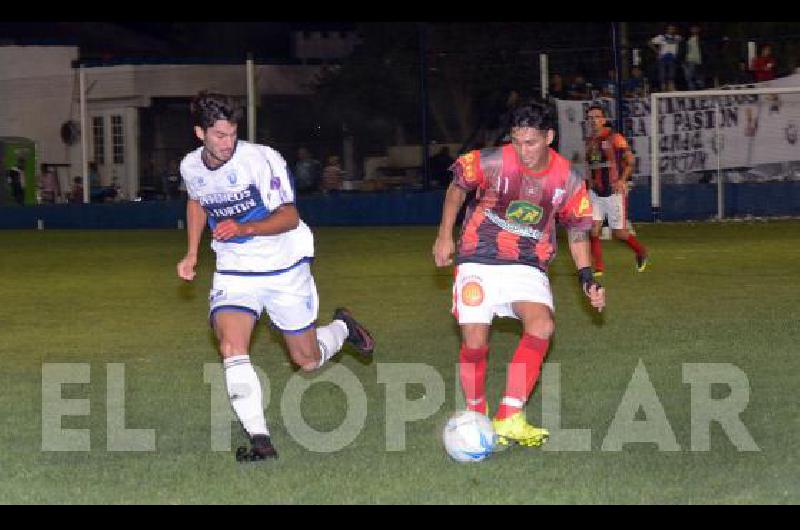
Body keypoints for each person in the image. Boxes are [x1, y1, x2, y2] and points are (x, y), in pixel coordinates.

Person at [175, 92, 375, 462]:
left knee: (307, 360)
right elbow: (197, 201)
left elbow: (289, 217)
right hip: (235, 271)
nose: (227, 142)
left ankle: (342, 328)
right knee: (231, 348)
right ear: (199, 132)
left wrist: (245, 228)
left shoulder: (261, 160)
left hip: (284, 267)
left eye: (232, 133)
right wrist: (191, 253)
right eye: (218, 135)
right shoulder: (191, 167)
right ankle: (260, 439)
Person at [432, 100, 605, 449]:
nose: (523, 151)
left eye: (531, 143)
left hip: (527, 262)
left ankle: (509, 416)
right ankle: (476, 415)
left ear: (549, 137)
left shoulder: (567, 179)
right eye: (517, 141)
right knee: (475, 341)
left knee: (542, 325)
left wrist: (587, 277)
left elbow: (576, 231)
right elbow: (457, 189)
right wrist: (444, 234)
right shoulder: (492, 160)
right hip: (478, 256)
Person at [584, 105, 648, 276]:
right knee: (593, 229)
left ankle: (641, 252)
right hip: (596, 192)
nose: (593, 120)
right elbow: (590, 166)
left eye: (596, 117)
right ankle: (598, 268)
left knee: (619, 233)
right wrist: (589, 184)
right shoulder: (590, 141)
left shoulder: (615, 138)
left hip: (613, 192)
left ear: (603, 120)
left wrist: (622, 180)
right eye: (590, 118)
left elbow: (631, 161)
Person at [650, 24, 682, 92]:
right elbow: (650, 42)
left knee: (672, 74)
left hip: (672, 57)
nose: (671, 30)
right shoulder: (662, 37)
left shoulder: (677, 37)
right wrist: (657, 51)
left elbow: (681, 42)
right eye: (670, 29)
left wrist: (676, 52)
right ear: (667, 30)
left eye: (673, 29)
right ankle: (663, 89)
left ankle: (671, 88)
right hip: (663, 57)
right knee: (662, 74)